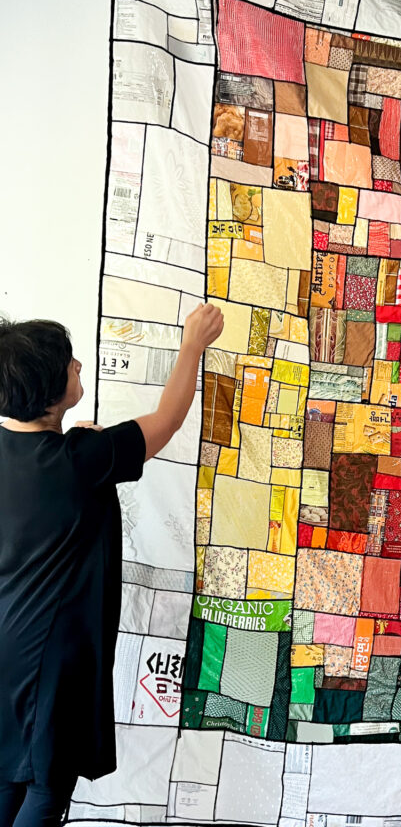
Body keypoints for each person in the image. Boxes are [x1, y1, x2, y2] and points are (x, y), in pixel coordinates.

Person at [0, 303, 223, 827]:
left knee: (9, 773)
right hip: (51, 659)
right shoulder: (81, 458)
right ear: (50, 389)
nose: (79, 366)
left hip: (8, 646)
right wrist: (192, 344)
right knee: (47, 787)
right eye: (69, 363)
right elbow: (166, 422)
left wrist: (80, 444)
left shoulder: (51, 454)